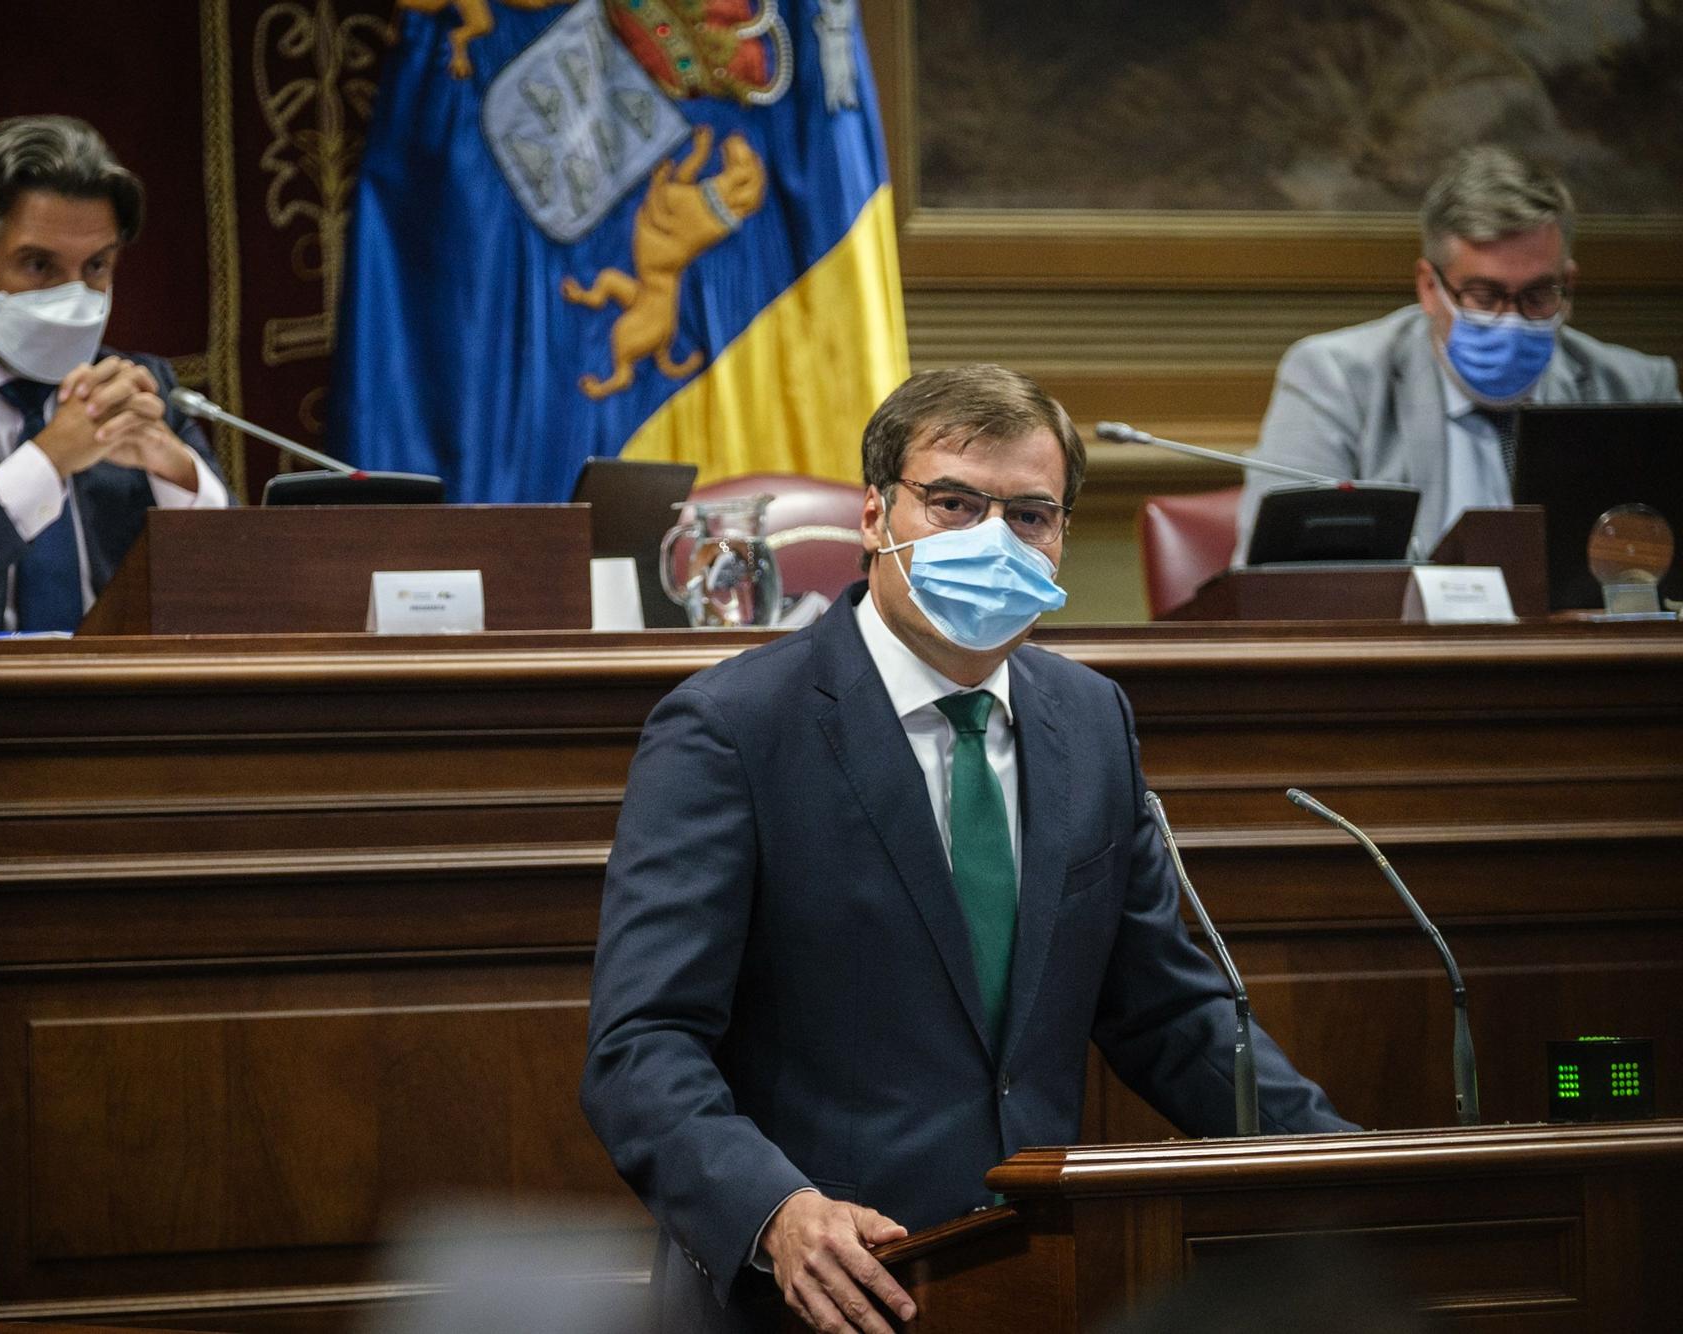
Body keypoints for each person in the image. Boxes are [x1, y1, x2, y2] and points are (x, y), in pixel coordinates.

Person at [582, 366, 1352, 1334]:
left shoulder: (1088, 719)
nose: (993, 537)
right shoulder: (730, 730)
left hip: (1033, 1287)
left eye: (1029, 514)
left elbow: (1170, 1014)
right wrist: (774, 1212)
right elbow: (638, 1047)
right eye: (952, 502)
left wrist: (1345, 1165)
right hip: (816, 1299)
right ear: (872, 516)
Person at [1234, 145, 1679, 564]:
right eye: (1484, 296)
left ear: (1569, 286)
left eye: (1538, 295)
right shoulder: (1337, 379)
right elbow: (1281, 580)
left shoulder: (1637, 388)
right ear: (1430, 287)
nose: (1512, 319)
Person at [0, 115, 228, 632]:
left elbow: (238, 588)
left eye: (96, 266)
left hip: (119, 701)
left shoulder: (140, 388)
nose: (74, 294)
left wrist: (179, 476)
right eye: (40, 265)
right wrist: (48, 460)